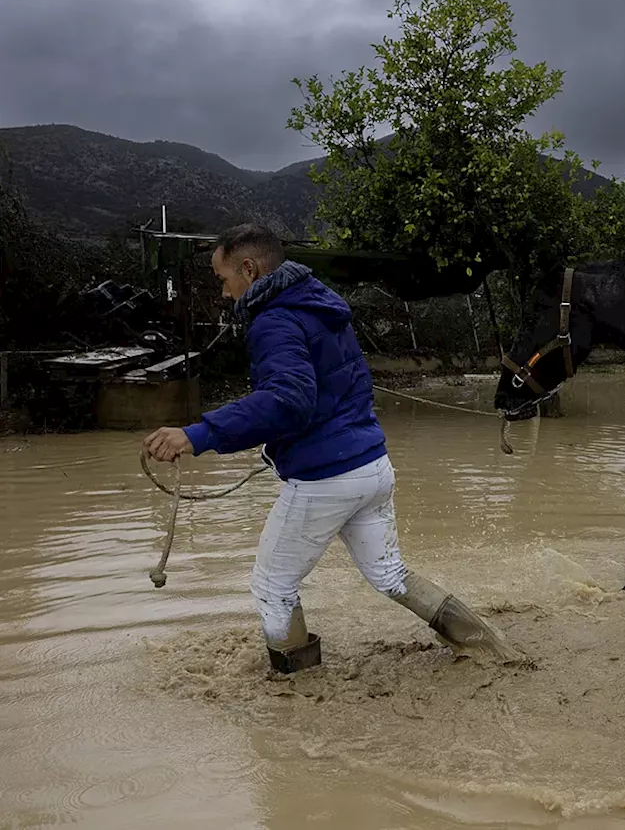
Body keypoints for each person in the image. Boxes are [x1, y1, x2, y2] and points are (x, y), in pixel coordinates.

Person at [143, 222, 520, 670]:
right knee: (391, 575)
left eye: (224, 280)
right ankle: (490, 647)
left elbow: (287, 400)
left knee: (272, 586)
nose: (224, 293)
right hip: (372, 468)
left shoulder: (274, 321)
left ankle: (297, 690)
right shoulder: (320, 306)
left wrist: (196, 434)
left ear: (249, 268)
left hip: (327, 479)